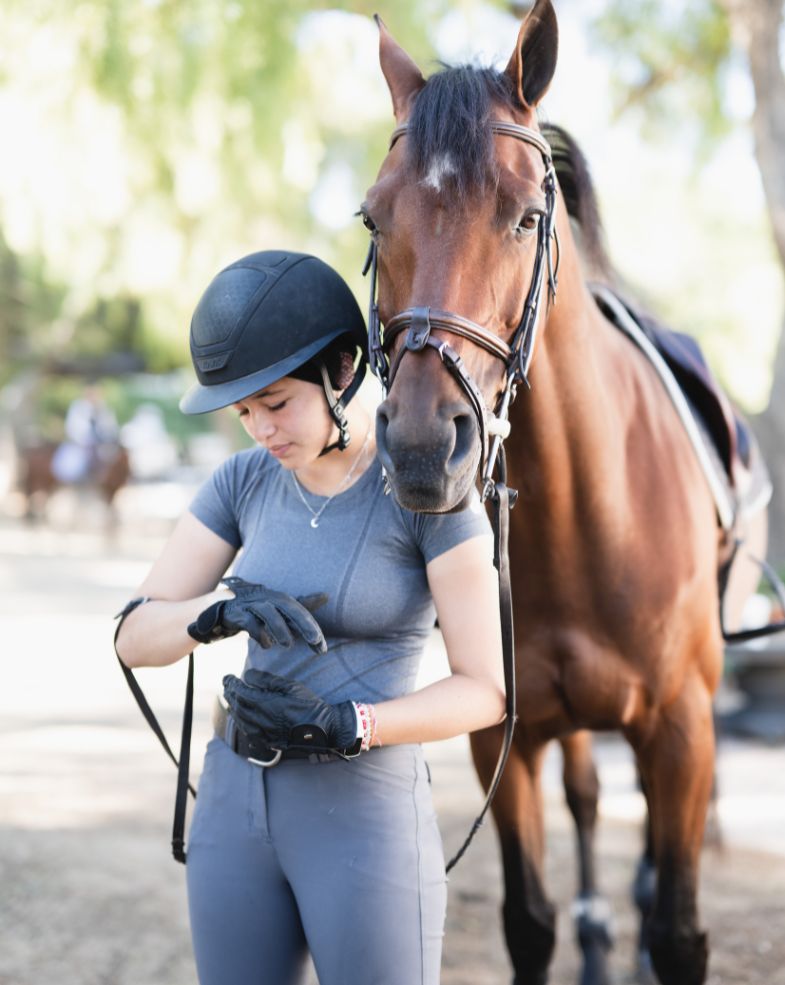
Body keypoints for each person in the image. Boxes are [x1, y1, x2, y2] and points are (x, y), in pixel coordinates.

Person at [114, 250, 505, 985]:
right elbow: (134, 636)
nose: (261, 430)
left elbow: (485, 690)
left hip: (363, 808)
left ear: (343, 370)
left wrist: (351, 722)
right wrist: (215, 612)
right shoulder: (242, 481)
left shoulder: (427, 491)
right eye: (244, 413)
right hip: (233, 798)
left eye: (277, 403)